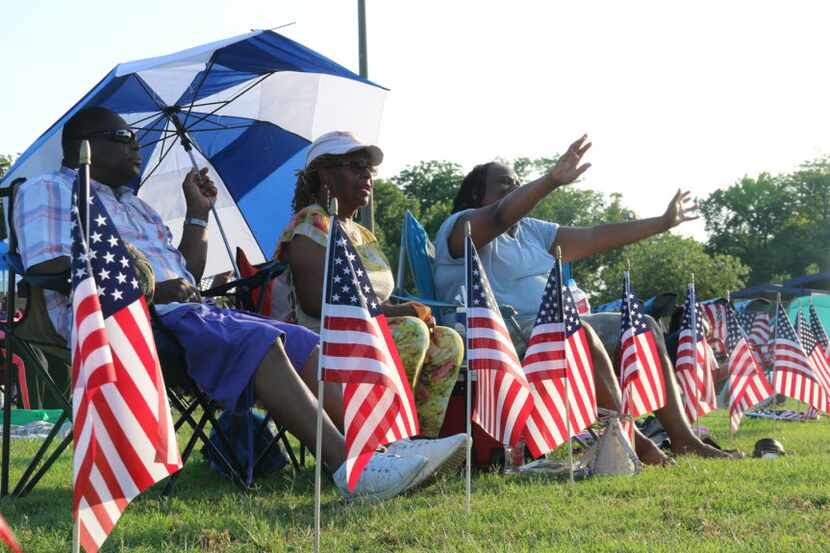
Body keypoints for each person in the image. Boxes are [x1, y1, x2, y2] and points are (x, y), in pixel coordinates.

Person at [14, 107, 465, 502]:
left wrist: (199, 212)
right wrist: (146, 285)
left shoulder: (136, 206)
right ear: (85, 146)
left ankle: (385, 449)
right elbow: (50, 265)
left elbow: (187, 272)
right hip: (116, 321)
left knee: (304, 343)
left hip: (183, 314)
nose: (138, 147)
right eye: (126, 138)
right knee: (262, 341)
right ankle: (352, 469)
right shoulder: (48, 188)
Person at [433, 135, 735, 463]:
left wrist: (661, 223)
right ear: (479, 194)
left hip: (546, 329)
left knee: (642, 324)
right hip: (497, 339)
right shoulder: (460, 226)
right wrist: (550, 180)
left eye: (518, 183)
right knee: (575, 331)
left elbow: (594, 236)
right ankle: (633, 441)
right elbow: (498, 216)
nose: (516, 189)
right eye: (505, 184)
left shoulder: (531, 231)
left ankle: (683, 438)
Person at [273, 131, 463, 438]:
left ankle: (422, 440)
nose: (367, 175)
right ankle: (387, 440)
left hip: (367, 331)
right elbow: (315, 303)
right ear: (325, 175)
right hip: (321, 340)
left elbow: (372, 300)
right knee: (409, 332)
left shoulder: (362, 234)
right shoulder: (311, 224)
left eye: (369, 169)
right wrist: (400, 312)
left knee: (447, 340)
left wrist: (406, 311)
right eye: (355, 166)